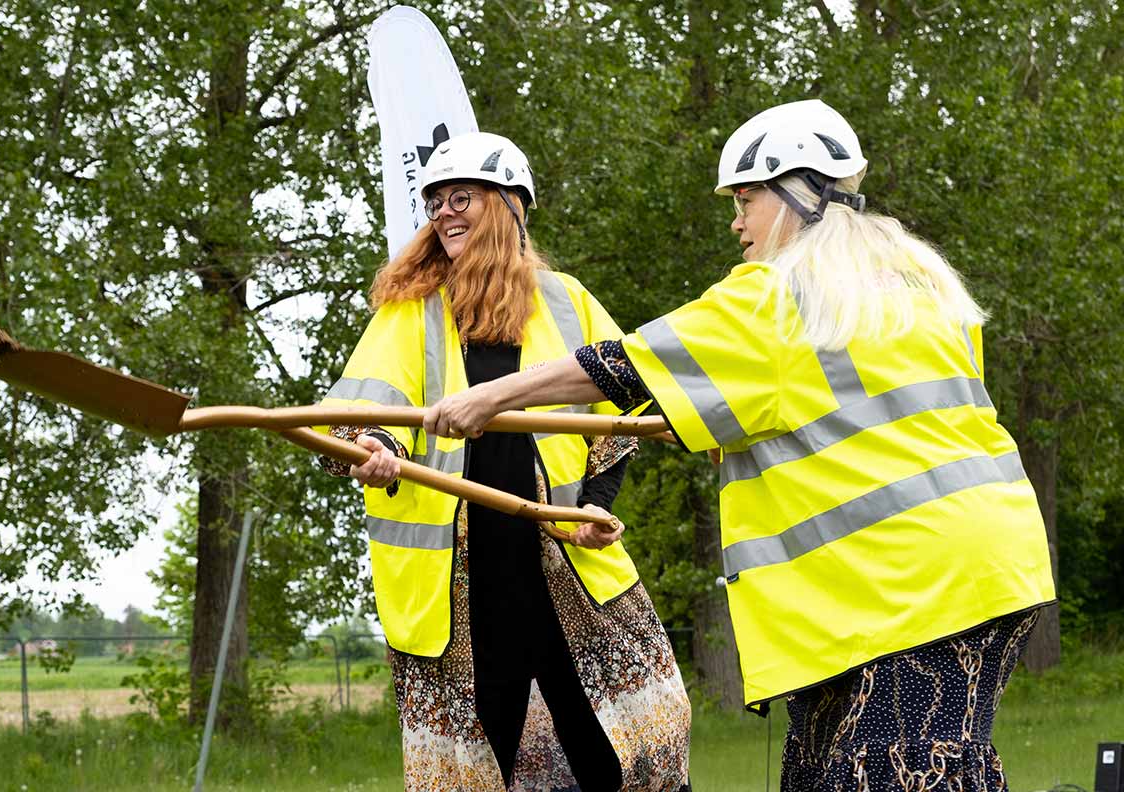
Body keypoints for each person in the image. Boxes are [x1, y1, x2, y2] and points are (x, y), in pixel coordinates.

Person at [423, 101, 1056, 790]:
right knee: (823, 769)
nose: (736, 222)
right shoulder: (915, 284)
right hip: (969, 570)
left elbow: (626, 364)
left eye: (746, 200)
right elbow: (829, 410)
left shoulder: (776, 293)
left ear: (794, 195)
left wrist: (488, 397)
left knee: (890, 772)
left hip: (915, 587)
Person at [320, 130, 690, 791]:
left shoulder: (566, 299)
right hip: (460, 589)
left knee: (617, 750)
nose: (443, 212)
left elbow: (624, 407)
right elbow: (367, 406)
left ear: (511, 206)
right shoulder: (410, 310)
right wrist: (375, 449)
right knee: (486, 756)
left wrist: (596, 506)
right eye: (435, 201)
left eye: (461, 196)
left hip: (564, 566)